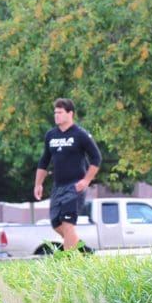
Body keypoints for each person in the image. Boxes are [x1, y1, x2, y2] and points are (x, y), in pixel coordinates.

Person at [34, 98, 102, 250]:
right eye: (55, 112)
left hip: (75, 186)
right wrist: (38, 184)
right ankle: (85, 251)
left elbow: (96, 158)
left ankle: (68, 260)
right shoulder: (51, 135)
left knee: (67, 224)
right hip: (58, 186)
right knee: (56, 224)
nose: (56, 115)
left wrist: (86, 181)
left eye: (60, 112)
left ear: (70, 114)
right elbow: (44, 161)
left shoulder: (80, 134)